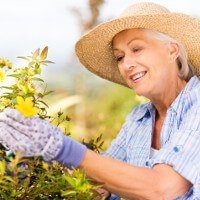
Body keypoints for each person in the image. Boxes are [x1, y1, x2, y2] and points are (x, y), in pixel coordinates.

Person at [0, 2, 200, 199]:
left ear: (172, 51)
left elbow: (162, 189)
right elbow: (101, 186)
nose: (127, 64)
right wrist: (33, 167)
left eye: (137, 49)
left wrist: (60, 146)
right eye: (120, 57)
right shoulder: (139, 119)